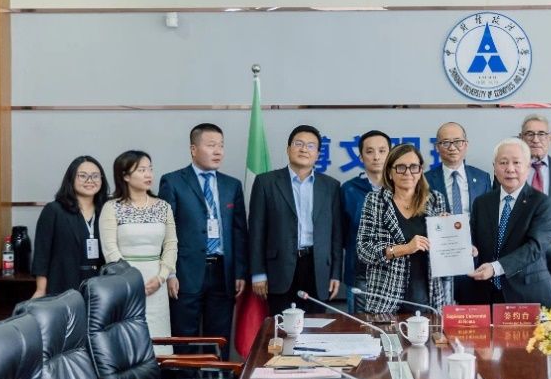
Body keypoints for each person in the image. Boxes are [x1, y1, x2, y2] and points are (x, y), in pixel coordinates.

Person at [157, 123, 248, 348]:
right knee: (184, 338)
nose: (218, 151)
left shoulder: (232, 185)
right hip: (186, 272)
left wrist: (239, 271)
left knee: (218, 339)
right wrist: (170, 273)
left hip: (223, 273)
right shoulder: (173, 181)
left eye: (221, 146)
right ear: (193, 149)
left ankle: (217, 373)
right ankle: (186, 373)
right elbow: (165, 231)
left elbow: (239, 232)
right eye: (211, 145)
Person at [249, 124, 343, 315]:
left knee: (317, 327)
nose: (304, 149)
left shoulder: (330, 186)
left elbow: (336, 234)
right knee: (281, 327)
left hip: (317, 268)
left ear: (318, 154)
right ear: (288, 149)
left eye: (310, 146)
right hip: (279, 268)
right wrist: (258, 273)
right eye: (298, 144)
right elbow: (256, 231)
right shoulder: (266, 182)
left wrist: (335, 273)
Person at [355, 144, 453, 314]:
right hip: (385, 300)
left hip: (428, 297)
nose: (408, 173)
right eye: (400, 167)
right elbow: (363, 250)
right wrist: (405, 248)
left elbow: (444, 252)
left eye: (414, 167)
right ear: (390, 172)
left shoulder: (436, 199)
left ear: (420, 171)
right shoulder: (375, 201)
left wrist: (457, 243)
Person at [100, 150, 178, 353]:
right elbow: (110, 250)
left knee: (158, 344)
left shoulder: (163, 207)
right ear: (125, 176)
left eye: (150, 169)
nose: (148, 174)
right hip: (124, 284)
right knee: (128, 344)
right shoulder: (112, 207)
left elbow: (171, 245)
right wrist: (131, 281)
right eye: (141, 170)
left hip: (156, 282)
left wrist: (161, 277)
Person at [468, 138, 551, 307]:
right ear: (494, 168)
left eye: (516, 162)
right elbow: (473, 239)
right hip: (485, 294)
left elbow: (534, 247)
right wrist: (464, 243)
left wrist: (496, 268)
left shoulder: (541, 203)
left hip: (527, 294)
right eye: (503, 163)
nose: (510, 169)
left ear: (528, 167)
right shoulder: (482, 202)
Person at [425, 122, 492, 303]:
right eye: (446, 142)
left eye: (458, 141)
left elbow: (489, 220)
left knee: (473, 313)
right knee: (441, 314)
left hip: (475, 259)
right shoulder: (425, 180)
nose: (452, 147)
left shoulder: (483, 178)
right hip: (441, 261)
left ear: (466, 145)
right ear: (437, 147)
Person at [31, 155, 109, 298]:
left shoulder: (107, 210)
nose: (90, 180)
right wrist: (40, 289)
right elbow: (42, 254)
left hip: (101, 285)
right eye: (83, 176)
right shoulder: (54, 210)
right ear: (71, 178)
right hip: (64, 283)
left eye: (95, 176)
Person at [341, 130, 391, 308]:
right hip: (359, 276)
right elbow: (342, 235)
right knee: (359, 323)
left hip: (395, 275)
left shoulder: (403, 187)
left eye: (382, 151)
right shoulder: (349, 190)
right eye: (370, 151)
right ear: (361, 157)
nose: (376, 157)